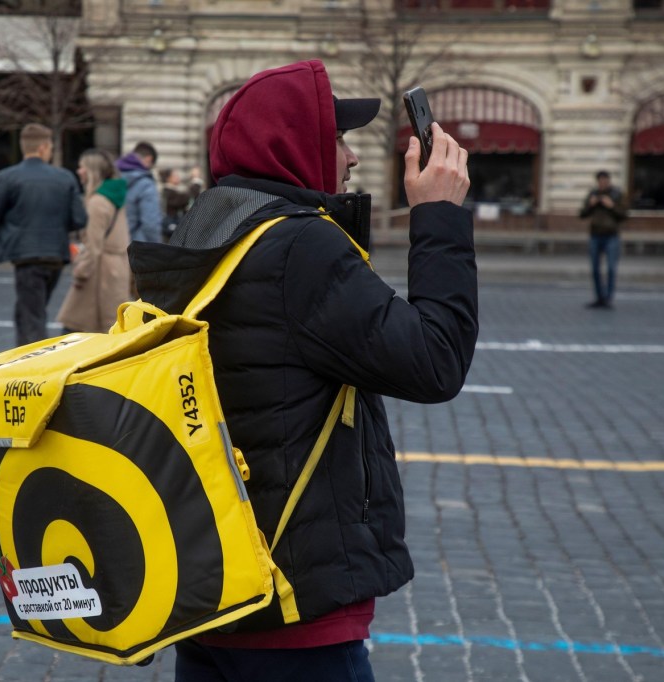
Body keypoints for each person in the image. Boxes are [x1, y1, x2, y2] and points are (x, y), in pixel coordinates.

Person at [129, 60, 477, 681]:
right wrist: (440, 215)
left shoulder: (206, 228)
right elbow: (435, 362)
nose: (351, 158)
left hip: (216, 587)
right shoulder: (299, 248)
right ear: (296, 146)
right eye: (338, 140)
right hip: (295, 608)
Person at [0, 123, 87, 346]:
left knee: (31, 314)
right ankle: (26, 355)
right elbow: (79, 219)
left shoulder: (8, 176)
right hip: (56, 254)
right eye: (50, 147)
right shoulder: (65, 178)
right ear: (43, 148)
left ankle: (33, 363)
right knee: (32, 309)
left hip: (26, 254)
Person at [56, 149, 131, 333]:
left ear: (91, 171)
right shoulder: (113, 197)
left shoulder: (97, 202)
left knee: (75, 330)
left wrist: (81, 272)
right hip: (115, 270)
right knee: (108, 328)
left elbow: (93, 246)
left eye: (82, 167)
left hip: (100, 274)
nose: (78, 171)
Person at [579, 170, 627, 309]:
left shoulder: (616, 194)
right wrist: (591, 205)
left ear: (609, 181)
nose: (603, 183)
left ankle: (608, 298)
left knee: (611, 268)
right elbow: (582, 214)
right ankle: (599, 297)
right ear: (597, 181)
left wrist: (611, 206)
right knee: (595, 269)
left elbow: (624, 214)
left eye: (605, 181)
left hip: (612, 236)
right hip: (595, 235)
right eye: (600, 181)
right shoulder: (593, 194)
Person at [116, 141, 164, 243]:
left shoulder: (112, 176)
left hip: (111, 244)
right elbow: (151, 224)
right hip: (134, 248)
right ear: (148, 159)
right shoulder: (146, 184)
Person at [159, 167, 190, 241]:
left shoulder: (174, 191)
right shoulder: (168, 191)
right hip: (171, 225)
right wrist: (196, 182)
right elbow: (183, 200)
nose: (178, 177)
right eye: (175, 176)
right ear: (168, 178)